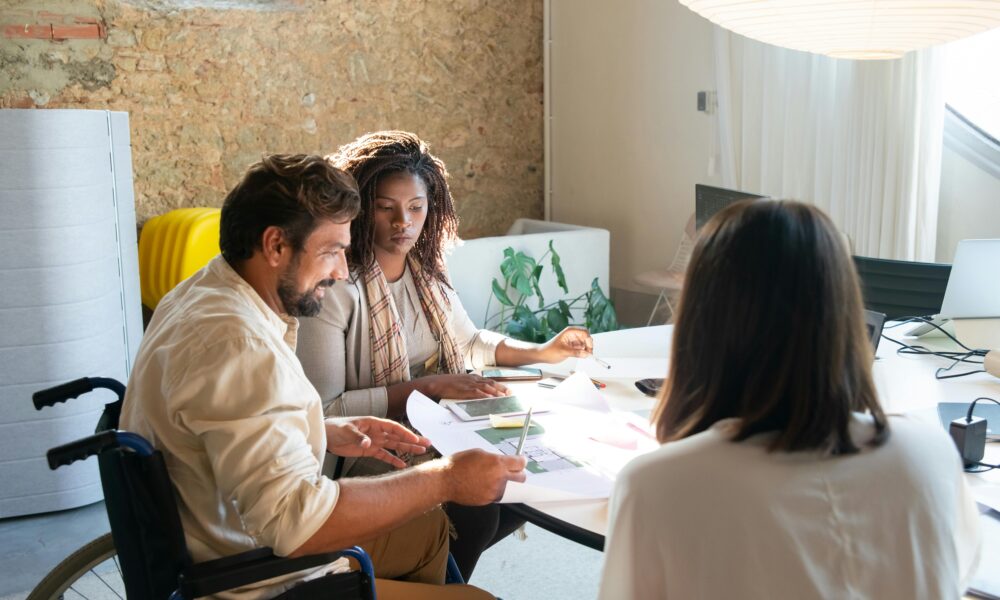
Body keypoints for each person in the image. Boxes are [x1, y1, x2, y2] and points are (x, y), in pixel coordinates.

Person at [120, 154, 526, 600]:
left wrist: (321, 428)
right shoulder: (241, 345)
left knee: (430, 530)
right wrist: (446, 478)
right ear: (275, 246)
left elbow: (221, 422)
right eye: (331, 251)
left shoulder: (201, 292)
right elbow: (297, 525)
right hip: (261, 577)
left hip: (214, 531)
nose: (338, 271)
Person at [598, 200, 981, 599]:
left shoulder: (658, 485)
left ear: (700, 324)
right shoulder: (930, 453)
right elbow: (958, 572)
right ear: (845, 316)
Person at [296, 131, 594, 579]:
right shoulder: (336, 288)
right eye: (386, 208)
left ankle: (437, 571)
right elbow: (324, 412)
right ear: (360, 208)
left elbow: (469, 343)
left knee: (521, 484)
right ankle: (436, 579)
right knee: (479, 510)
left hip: (440, 424)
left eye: (416, 207)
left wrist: (545, 351)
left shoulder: (426, 272)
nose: (404, 222)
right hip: (365, 455)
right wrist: (426, 388)